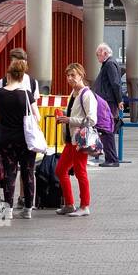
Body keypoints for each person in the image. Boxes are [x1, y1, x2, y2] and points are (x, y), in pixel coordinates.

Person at [0, 57, 39, 218]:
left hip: (6, 139)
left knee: (9, 174)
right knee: (28, 173)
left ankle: (9, 210)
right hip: (25, 140)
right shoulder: (26, 94)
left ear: (9, 75)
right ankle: (27, 209)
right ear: (22, 76)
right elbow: (37, 117)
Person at [52, 62, 97, 216]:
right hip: (72, 140)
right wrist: (64, 116)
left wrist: (69, 119)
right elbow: (74, 113)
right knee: (60, 170)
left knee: (80, 172)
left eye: (73, 75)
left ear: (81, 76)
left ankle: (85, 206)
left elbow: (92, 120)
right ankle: (69, 204)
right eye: (68, 75)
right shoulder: (73, 93)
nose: (70, 78)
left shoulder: (87, 94)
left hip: (80, 140)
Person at [93, 43, 125, 167]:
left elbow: (115, 83)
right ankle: (110, 158)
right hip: (108, 100)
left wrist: (119, 100)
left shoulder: (110, 64)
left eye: (98, 54)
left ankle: (112, 159)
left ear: (105, 53)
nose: (97, 57)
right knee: (106, 129)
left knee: (107, 130)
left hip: (109, 101)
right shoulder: (108, 64)